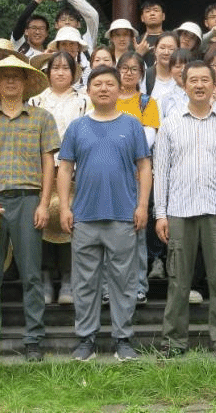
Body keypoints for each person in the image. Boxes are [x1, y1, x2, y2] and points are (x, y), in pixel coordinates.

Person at [0, 56, 60, 362]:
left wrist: (44, 203)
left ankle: (33, 340)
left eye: (16, 77)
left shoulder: (41, 118)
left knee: (31, 273)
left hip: (29, 199)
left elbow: (49, 163)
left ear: (25, 83)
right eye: (4, 76)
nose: (10, 81)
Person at [57, 66, 152, 362]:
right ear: (88, 90)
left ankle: (123, 338)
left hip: (123, 214)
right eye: (97, 84)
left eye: (110, 84)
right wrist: (64, 207)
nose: (103, 89)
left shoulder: (132, 124)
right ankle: (86, 338)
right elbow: (65, 168)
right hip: (84, 216)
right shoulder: (77, 127)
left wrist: (142, 205)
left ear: (119, 89)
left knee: (124, 281)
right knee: (85, 282)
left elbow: (144, 166)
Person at [154, 61, 216, 359]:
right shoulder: (170, 124)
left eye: (205, 79)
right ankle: (174, 340)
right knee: (178, 279)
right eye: (193, 80)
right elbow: (161, 172)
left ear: (214, 84)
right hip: (179, 211)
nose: (199, 85)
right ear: (183, 84)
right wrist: (160, 214)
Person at [28, 52, 91, 305]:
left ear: (74, 73)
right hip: (41, 170)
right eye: (56, 68)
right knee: (42, 221)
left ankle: (68, 279)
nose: (61, 72)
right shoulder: (35, 100)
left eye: (66, 68)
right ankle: (44, 278)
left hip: (75, 170)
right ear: (48, 72)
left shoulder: (84, 101)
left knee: (68, 221)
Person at [114, 51, 162, 296]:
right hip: (109, 172)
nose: (128, 73)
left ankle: (139, 286)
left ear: (142, 73)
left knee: (137, 229)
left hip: (136, 172)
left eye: (134, 69)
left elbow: (148, 136)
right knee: (109, 230)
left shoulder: (146, 103)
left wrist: (126, 157)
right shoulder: (106, 99)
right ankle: (110, 286)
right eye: (124, 68)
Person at [137, 0, 167, 66]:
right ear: (142, 18)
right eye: (148, 11)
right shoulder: (137, 41)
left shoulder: (171, 39)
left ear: (163, 16)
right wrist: (138, 54)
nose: (152, 14)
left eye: (156, 10)